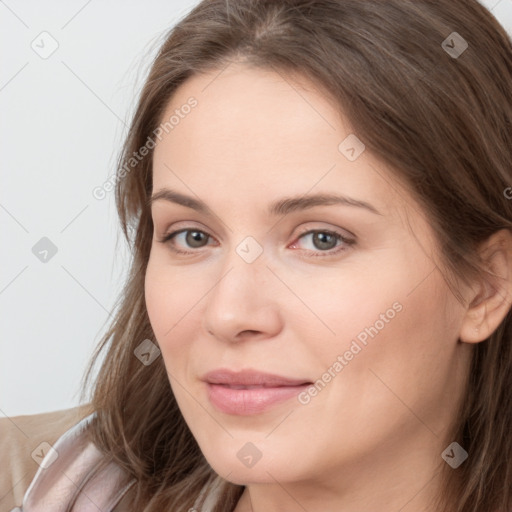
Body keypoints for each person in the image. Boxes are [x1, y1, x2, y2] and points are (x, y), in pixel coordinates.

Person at [2, 0, 512, 510]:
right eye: (192, 236)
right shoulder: (26, 482)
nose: (229, 314)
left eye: (321, 239)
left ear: (484, 286)